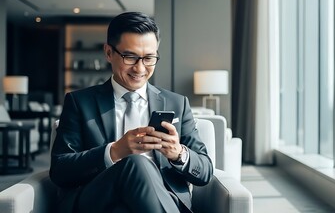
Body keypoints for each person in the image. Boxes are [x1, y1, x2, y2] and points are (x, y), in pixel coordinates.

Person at [50, 12, 213, 213]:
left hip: (161, 198)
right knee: (136, 163)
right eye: (130, 57)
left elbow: (205, 171)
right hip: (100, 199)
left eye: (149, 58)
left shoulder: (177, 103)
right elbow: (59, 170)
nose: (140, 68)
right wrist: (115, 151)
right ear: (109, 53)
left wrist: (178, 154)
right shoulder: (79, 102)